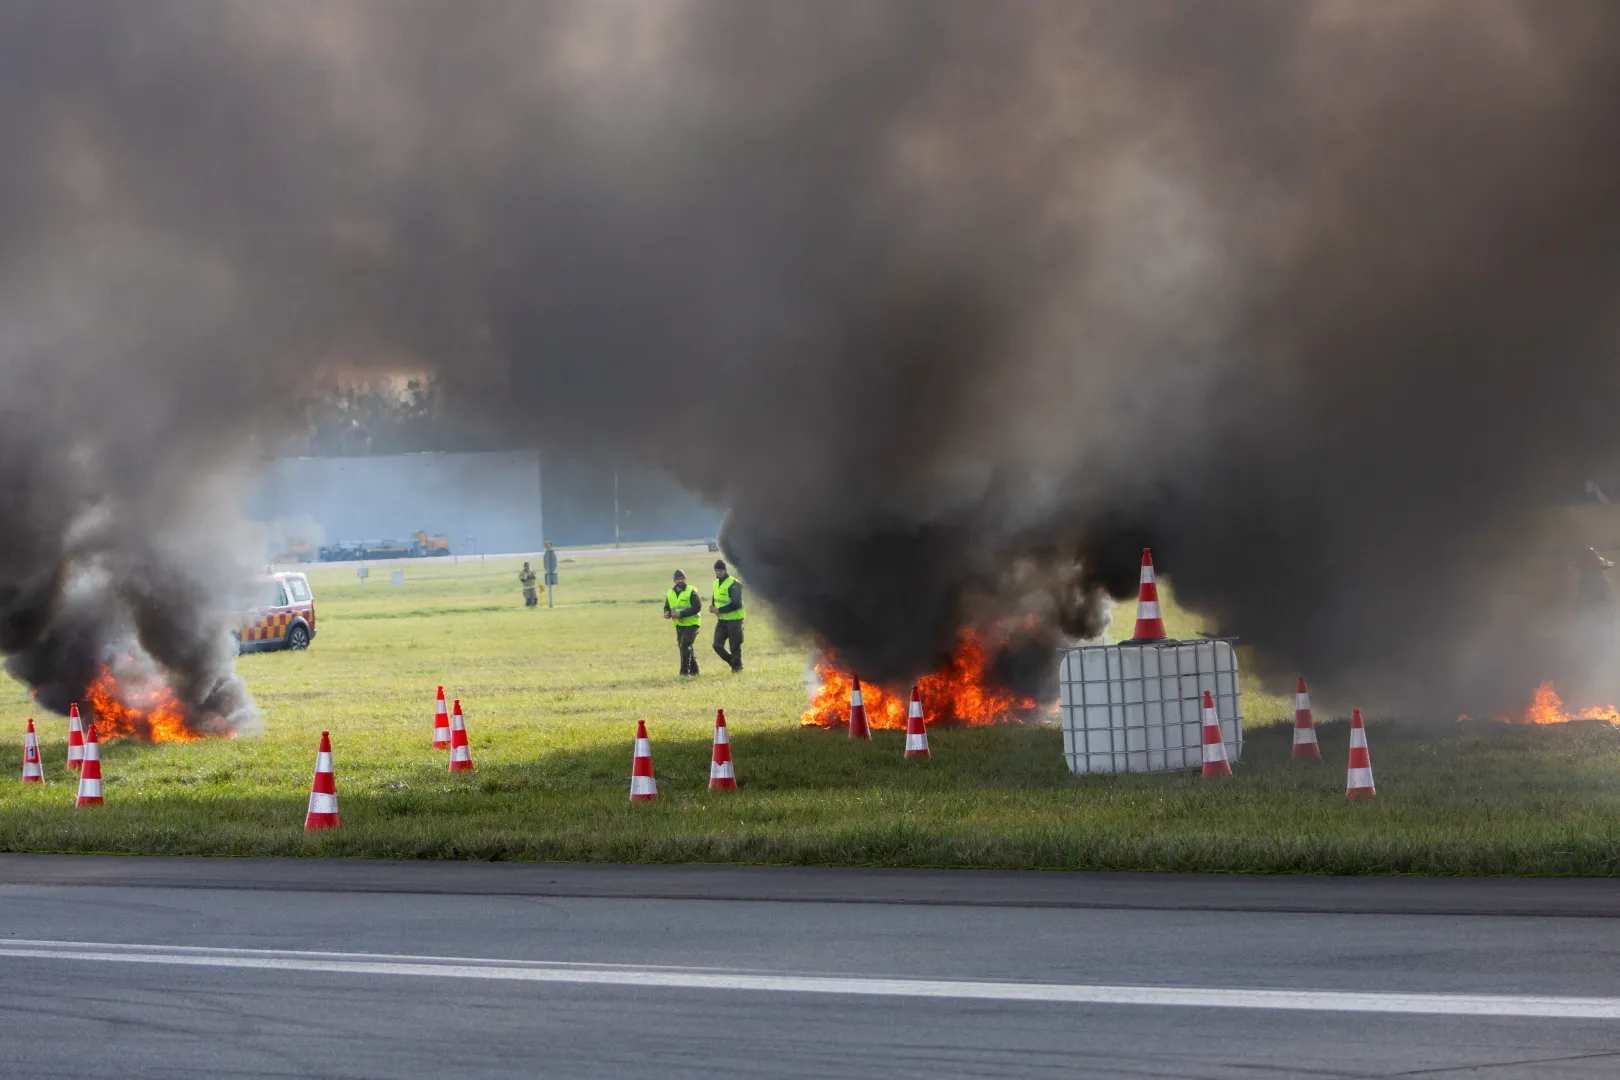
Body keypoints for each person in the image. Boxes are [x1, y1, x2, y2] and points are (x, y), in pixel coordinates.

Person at [663, 569, 702, 676]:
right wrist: (667, 613)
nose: (680, 581)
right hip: (679, 625)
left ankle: (684, 672)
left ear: (685, 579)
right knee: (685, 646)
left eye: (682, 578)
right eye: (678, 579)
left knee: (684, 645)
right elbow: (667, 606)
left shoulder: (691, 591)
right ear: (674, 580)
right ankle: (695, 671)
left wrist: (681, 614)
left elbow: (697, 607)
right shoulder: (670, 593)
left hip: (692, 623)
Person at [709, 559, 744, 672]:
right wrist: (713, 607)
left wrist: (720, 610)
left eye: (720, 570)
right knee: (717, 645)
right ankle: (734, 663)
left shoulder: (734, 584)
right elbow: (715, 598)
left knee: (734, 646)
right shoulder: (715, 583)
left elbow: (737, 604)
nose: (718, 572)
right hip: (722, 620)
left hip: (735, 619)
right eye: (716, 570)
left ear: (724, 570)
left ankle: (737, 667)